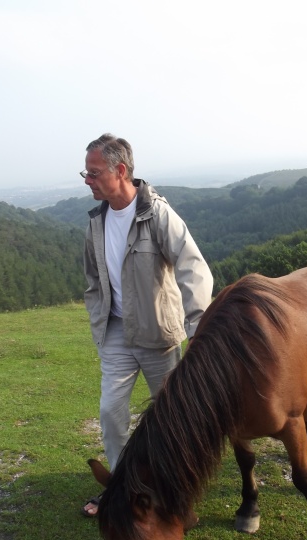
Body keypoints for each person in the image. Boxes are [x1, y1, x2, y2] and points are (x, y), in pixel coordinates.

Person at [81, 133, 213, 517]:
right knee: (111, 413)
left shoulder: (156, 213)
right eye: (85, 173)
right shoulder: (96, 222)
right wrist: (99, 325)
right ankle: (122, 489)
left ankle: (179, 489)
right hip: (117, 333)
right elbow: (92, 280)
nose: (87, 180)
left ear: (120, 171)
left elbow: (193, 267)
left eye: (93, 172)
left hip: (159, 334)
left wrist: (198, 326)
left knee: (174, 419)